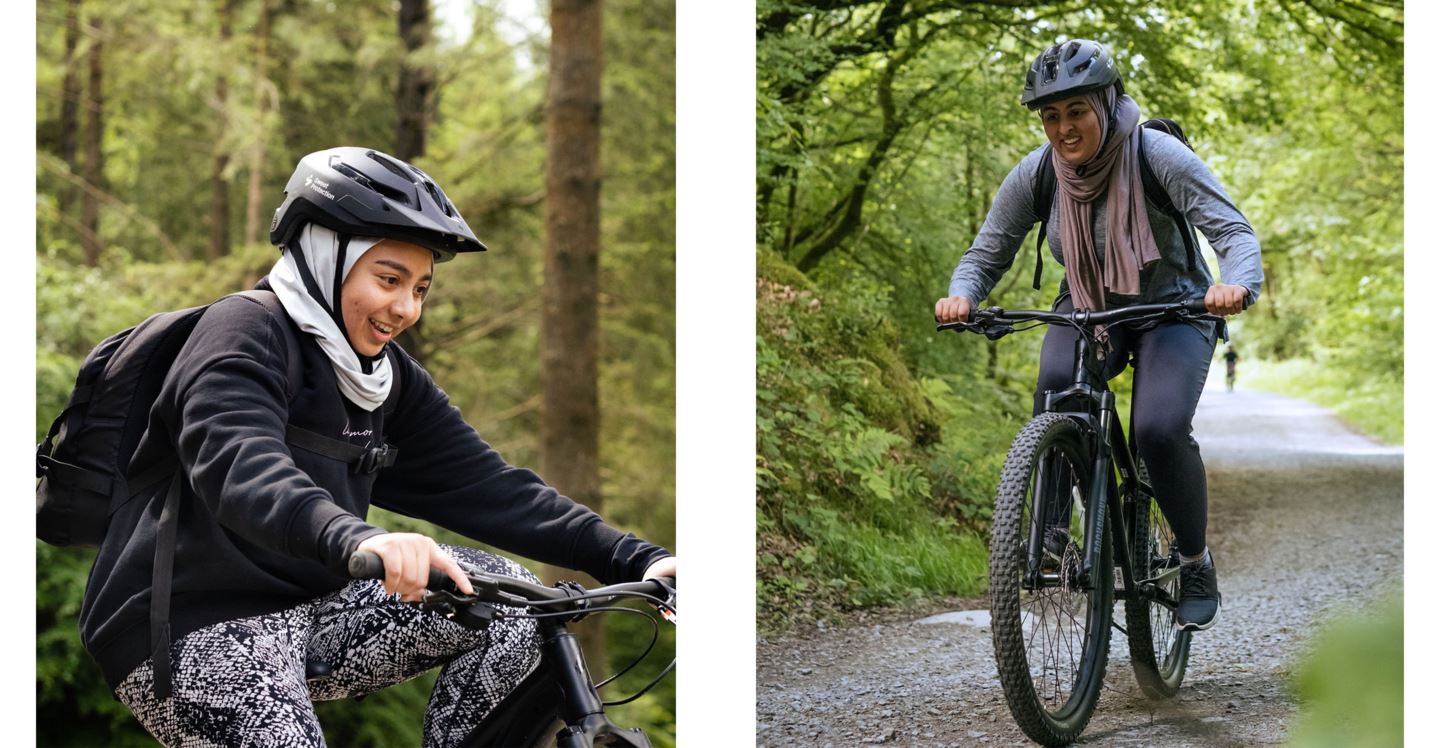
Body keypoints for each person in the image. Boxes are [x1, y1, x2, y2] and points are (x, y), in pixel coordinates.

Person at [77, 147, 677, 746]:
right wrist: (360, 538)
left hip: (314, 613)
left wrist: (637, 558)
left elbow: (490, 488)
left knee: (516, 607)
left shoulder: (386, 378)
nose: (405, 308)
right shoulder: (243, 331)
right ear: (323, 258)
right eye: (388, 279)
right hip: (188, 625)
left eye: (420, 288)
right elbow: (241, 468)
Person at [933, 40, 1262, 631]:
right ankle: (1055, 530)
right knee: (1060, 381)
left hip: (1176, 307)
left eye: (1076, 111)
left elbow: (1233, 231)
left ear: (1106, 105)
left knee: (1157, 429)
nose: (1063, 128)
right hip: (1090, 304)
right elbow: (986, 252)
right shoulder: (1039, 174)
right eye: (1050, 116)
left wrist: (1235, 284)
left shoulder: (1156, 155)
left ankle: (1194, 561)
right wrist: (964, 295)